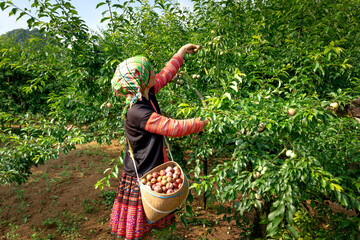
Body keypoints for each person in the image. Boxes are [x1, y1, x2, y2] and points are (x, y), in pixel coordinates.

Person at [109, 44, 209, 240]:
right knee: (138, 227)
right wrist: (204, 123)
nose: (154, 71)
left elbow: (166, 73)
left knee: (149, 220)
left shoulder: (147, 92)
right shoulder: (137, 111)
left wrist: (181, 52)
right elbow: (171, 127)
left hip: (152, 166)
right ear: (142, 79)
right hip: (143, 171)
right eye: (150, 70)